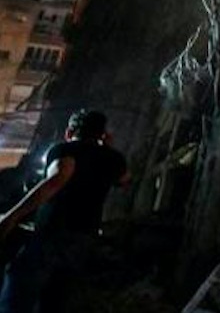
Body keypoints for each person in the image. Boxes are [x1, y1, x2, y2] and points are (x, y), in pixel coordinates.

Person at [0, 109, 128, 312]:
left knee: (21, 289)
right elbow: (124, 180)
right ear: (102, 134)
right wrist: (108, 148)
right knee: (57, 297)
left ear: (69, 132)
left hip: (53, 232)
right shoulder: (113, 159)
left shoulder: (65, 150)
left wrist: (12, 217)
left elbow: (56, 180)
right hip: (84, 237)